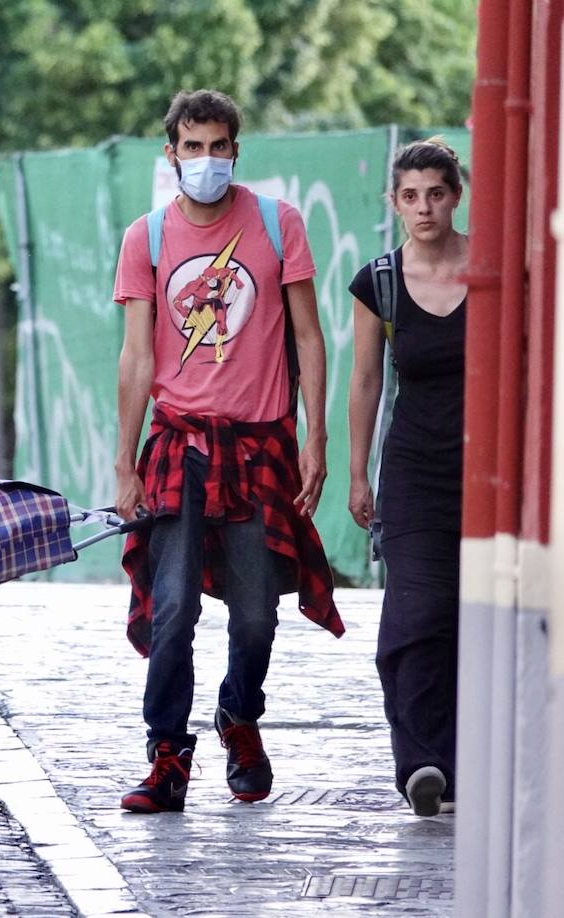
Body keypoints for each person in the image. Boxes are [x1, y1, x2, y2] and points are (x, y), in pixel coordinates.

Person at [111, 89, 345, 814]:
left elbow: (308, 336)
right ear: (170, 153)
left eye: (219, 147)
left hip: (259, 445)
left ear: (236, 152)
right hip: (179, 444)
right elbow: (136, 358)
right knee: (173, 607)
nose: (206, 160)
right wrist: (124, 462)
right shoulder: (146, 238)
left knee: (255, 615)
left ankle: (240, 719)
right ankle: (166, 756)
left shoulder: (279, 225)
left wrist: (317, 436)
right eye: (192, 147)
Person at [347, 139, 467, 818]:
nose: (425, 207)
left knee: (476, 614)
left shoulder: (495, 270)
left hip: (488, 469)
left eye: (437, 193)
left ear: (456, 195)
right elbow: (366, 380)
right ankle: (421, 761)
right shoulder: (380, 283)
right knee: (417, 610)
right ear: (393, 203)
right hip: (415, 466)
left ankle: (466, 756)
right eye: (411, 195)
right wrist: (357, 473)